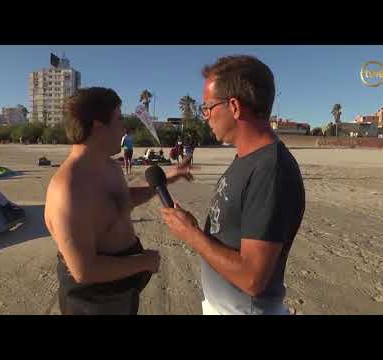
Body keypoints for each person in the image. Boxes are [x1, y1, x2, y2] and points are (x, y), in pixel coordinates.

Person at [161, 55, 305, 315]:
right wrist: (196, 229)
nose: (205, 117)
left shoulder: (270, 170)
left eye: (208, 107)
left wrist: (190, 234)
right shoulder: (245, 159)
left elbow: (252, 278)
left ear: (235, 107)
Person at [44, 87, 193, 315]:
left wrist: (166, 178)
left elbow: (119, 203)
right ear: (98, 126)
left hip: (122, 289)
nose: (124, 128)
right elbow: (84, 269)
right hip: (92, 301)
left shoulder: (110, 166)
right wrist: (143, 262)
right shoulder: (68, 188)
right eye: (119, 119)